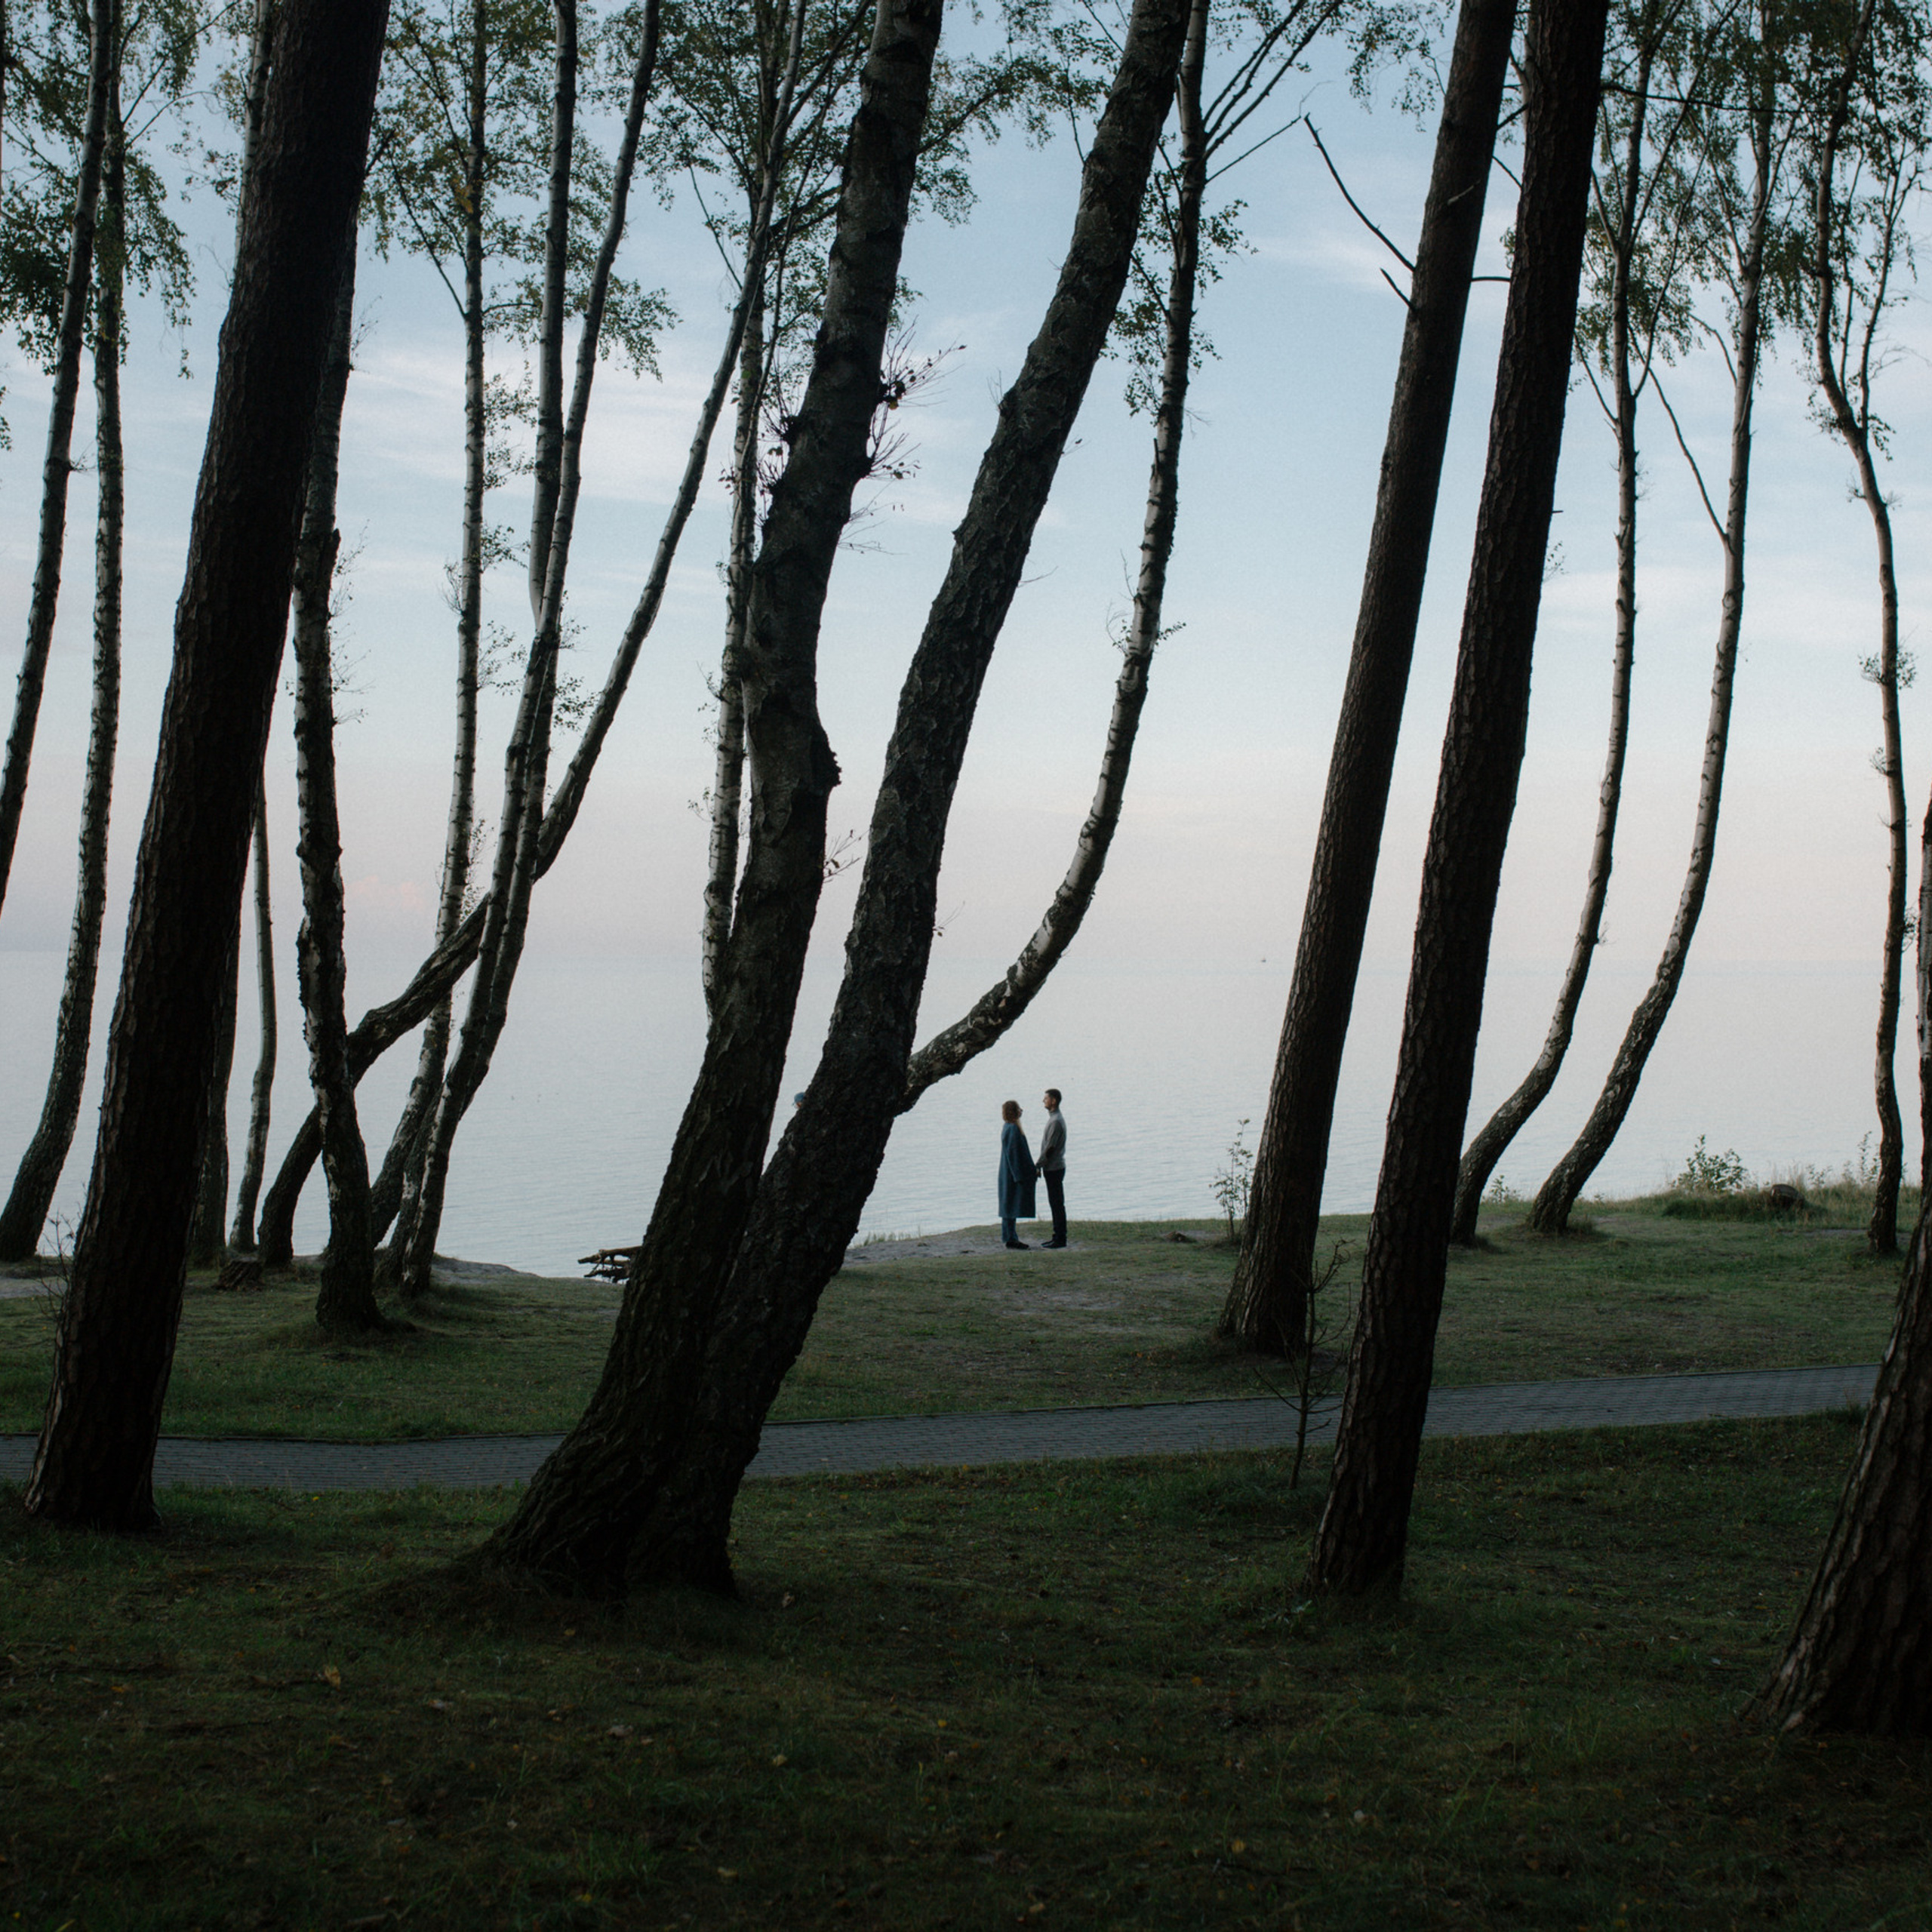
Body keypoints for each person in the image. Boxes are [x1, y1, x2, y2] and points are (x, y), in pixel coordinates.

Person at [997, 1100, 1036, 1249]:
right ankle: (1010, 1238)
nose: (1021, 1111)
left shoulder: (1008, 1127)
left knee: (1009, 1206)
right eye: (1019, 1109)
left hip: (1008, 1173)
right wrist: (1020, 1176)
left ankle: (1010, 1237)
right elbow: (1014, 1155)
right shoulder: (1013, 1129)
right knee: (1010, 1206)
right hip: (1012, 1175)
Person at [1035, 1088, 1067, 1247]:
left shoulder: (1055, 1121)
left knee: (1057, 1203)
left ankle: (1060, 1238)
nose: (1044, 1101)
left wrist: (1038, 1165)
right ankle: (1057, 1236)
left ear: (1053, 1101)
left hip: (1054, 1168)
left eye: (1046, 1098)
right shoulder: (1054, 1119)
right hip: (1052, 1167)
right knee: (1055, 1203)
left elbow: (1050, 1148)